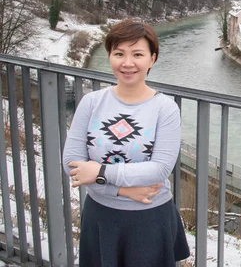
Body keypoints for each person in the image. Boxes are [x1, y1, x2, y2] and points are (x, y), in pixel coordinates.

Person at [63, 19, 190, 267]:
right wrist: (120, 190)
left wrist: (99, 172)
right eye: (119, 53)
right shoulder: (91, 102)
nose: (127, 63)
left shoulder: (165, 108)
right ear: (109, 56)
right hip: (100, 214)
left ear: (152, 59)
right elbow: (72, 163)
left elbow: (160, 169)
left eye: (138, 54)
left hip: (149, 218)